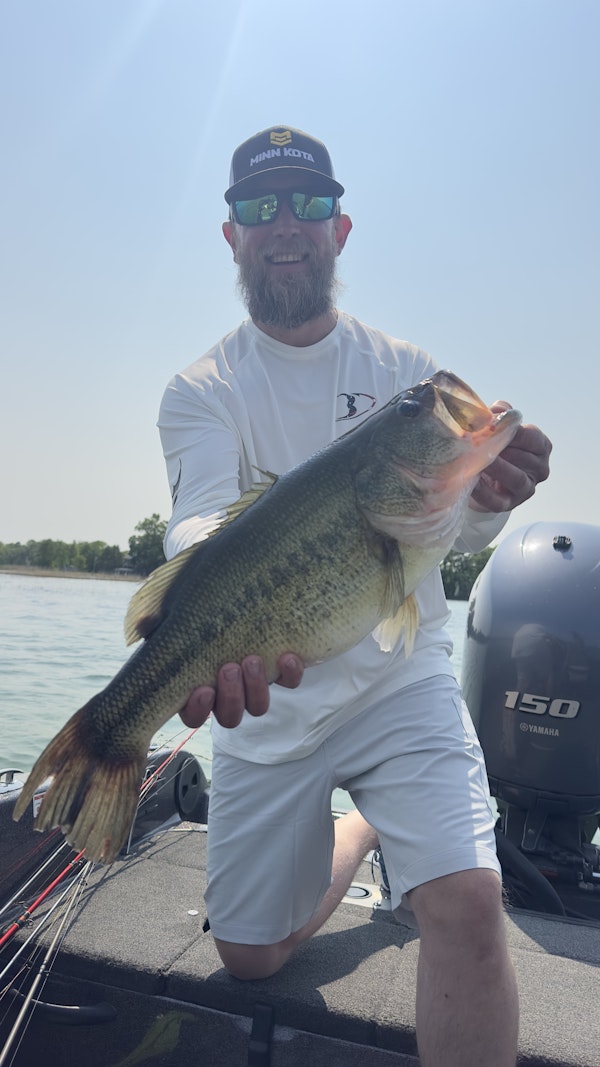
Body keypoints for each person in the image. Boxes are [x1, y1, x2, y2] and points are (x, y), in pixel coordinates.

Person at [158, 125, 552, 1067]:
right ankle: (366, 824)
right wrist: (215, 629)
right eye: (259, 208)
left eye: (307, 204)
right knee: (250, 956)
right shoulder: (200, 390)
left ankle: (409, 826)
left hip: (396, 679)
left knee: (466, 900)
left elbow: (447, 532)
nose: (284, 224)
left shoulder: (407, 377)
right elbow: (198, 525)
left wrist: (489, 498)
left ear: (339, 228)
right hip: (268, 701)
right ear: (232, 236)